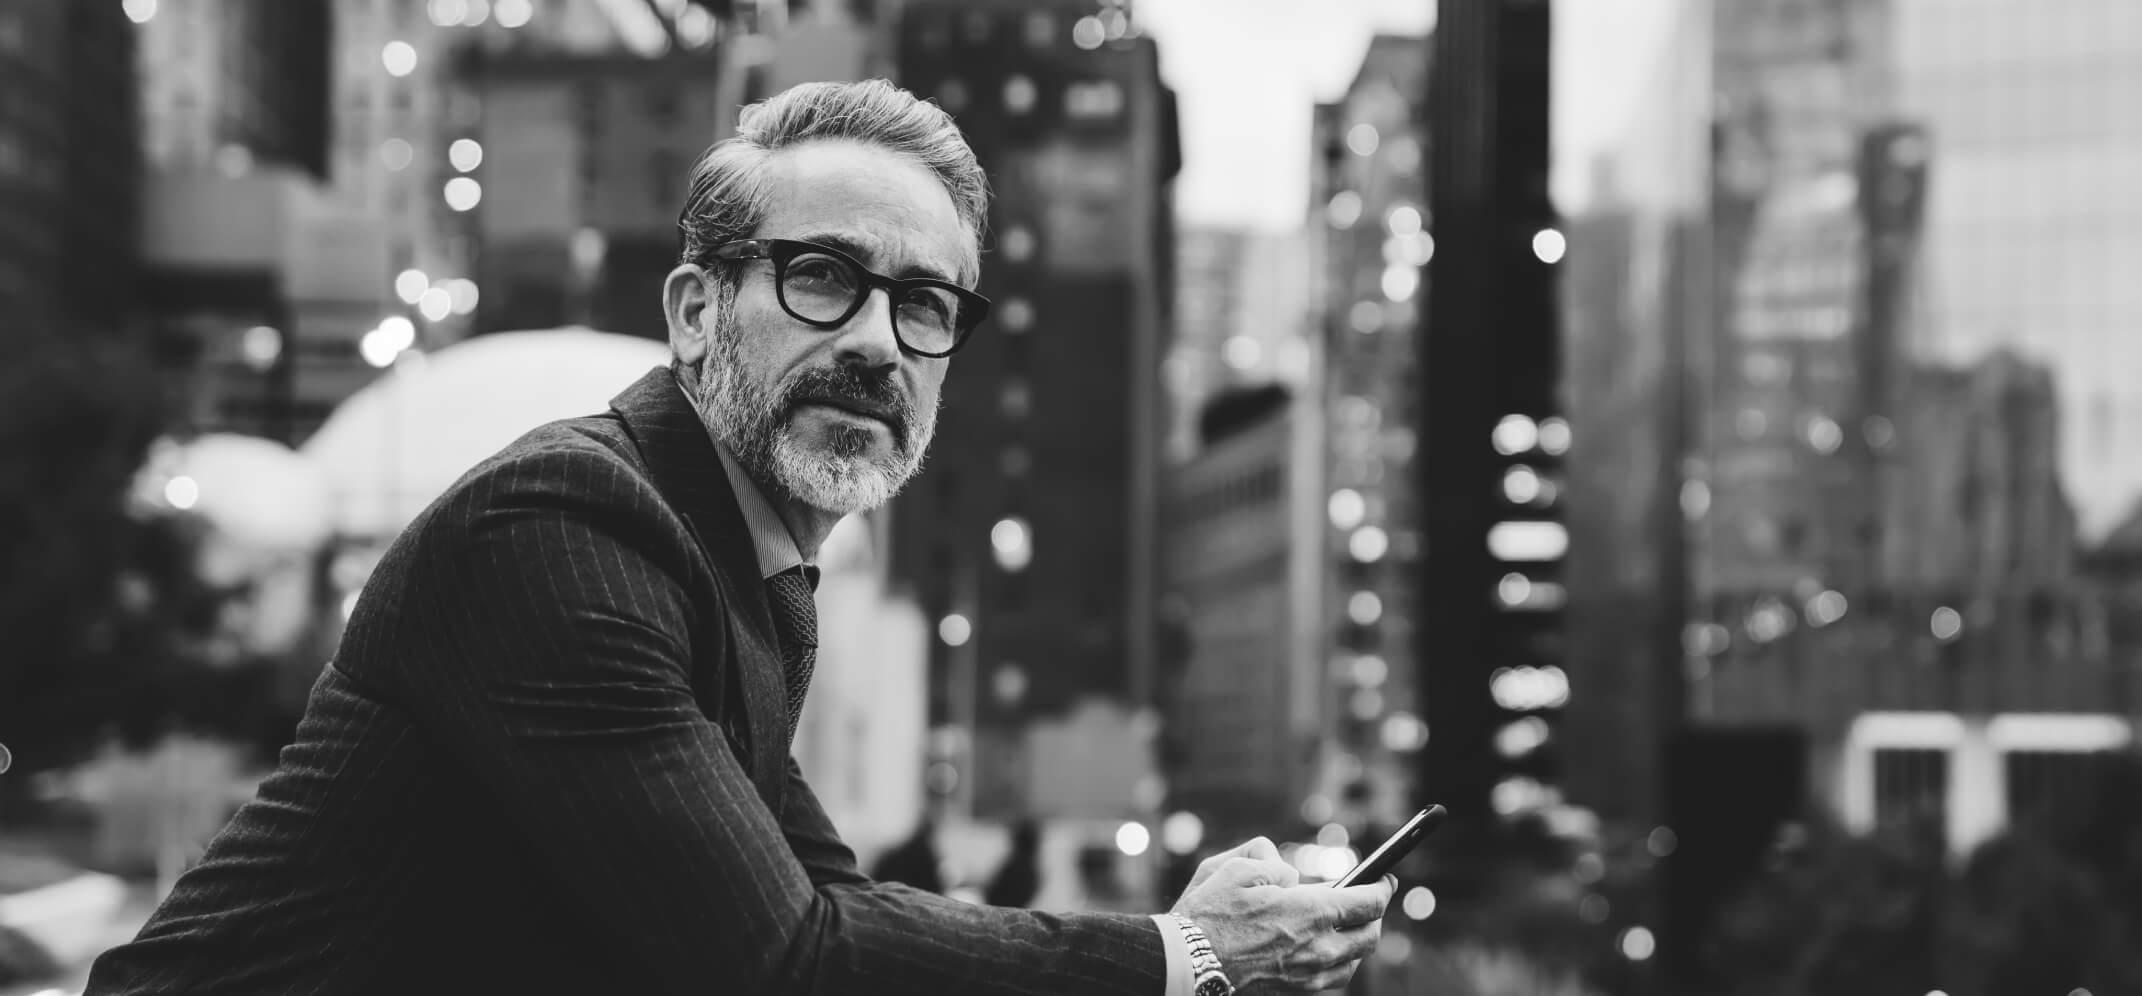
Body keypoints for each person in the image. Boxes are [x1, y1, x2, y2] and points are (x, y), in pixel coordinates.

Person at [85, 79, 1394, 996]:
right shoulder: (560, 532)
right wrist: (1181, 954)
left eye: (925, 304)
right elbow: (782, 965)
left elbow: (834, 904)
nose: (879, 341)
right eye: (823, 277)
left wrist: (1177, 946)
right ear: (696, 311)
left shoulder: (743, 573)